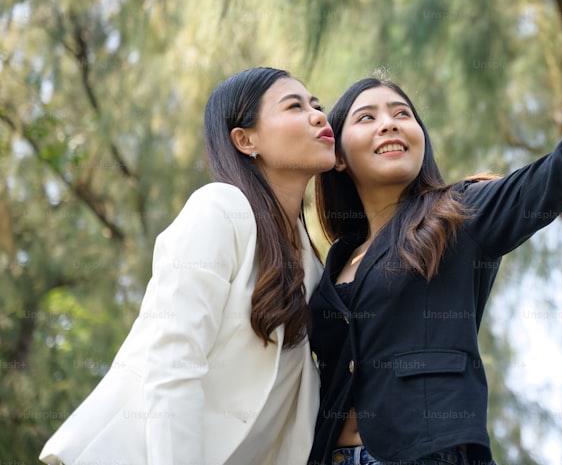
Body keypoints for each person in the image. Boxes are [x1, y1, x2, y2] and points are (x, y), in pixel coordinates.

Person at [307, 0, 562, 465]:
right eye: (367, 117)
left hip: (427, 453)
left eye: (402, 113)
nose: (390, 123)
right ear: (336, 156)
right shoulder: (330, 264)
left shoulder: (459, 212)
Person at [40, 67, 338, 465]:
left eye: (317, 106)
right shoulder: (220, 209)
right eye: (295, 106)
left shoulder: (313, 267)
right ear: (245, 140)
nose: (319, 115)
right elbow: (174, 361)